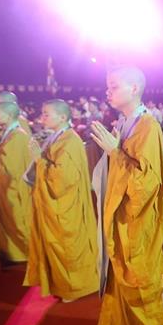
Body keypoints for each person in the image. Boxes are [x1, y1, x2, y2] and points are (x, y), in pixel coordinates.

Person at [89, 66, 163, 325]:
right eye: (108, 86)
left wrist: (115, 151)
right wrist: (114, 150)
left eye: (114, 86)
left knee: (140, 280)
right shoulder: (127, 123)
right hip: (121, 217)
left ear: (135, 88)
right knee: (121, 277)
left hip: (140, 221)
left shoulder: (147, 126)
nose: (108, 91)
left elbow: (146, 182)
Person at [23, 99, 98, 302]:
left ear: (63, 117)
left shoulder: (70, 141)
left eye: (47, 114)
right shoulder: (57, 137)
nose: (42, 117)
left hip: (66, 204)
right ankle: (61, 283)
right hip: (54, 203)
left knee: (68, 245)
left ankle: (76, 287)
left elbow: (64, 179)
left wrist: (39, 159)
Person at [0, 102, 32, 262]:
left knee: (16, 221)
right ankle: (11, 251)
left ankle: (24, 254)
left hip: (14, 189)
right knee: (7, 219)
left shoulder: (18, 135)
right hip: (4, 187)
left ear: (9, 115)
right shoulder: (7, 133)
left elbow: (13, 167)